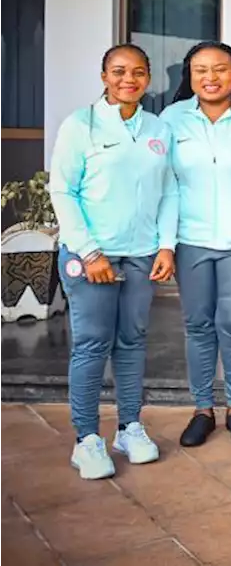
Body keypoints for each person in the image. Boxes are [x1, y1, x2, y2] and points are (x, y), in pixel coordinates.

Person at [48, 44, 177, 480]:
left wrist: (166, 245)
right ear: (103, 76)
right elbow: (62, 191)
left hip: (141, 254)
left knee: (133, 341)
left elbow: (170, 190)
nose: (129, 79)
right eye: (119, 71)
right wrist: (89, 253)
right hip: (92, 257)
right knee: (91, 344)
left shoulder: (158, 128)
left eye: (138, 72)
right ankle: (86, 438)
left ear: (148, 78)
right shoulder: (79, 125)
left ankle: (130, 427)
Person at [161, 42, 231, 447]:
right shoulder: (171, 120)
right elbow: (164, 184)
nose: (210, 77)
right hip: (190, 240)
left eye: (220, 69)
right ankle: (202, 409)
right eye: (200, 70)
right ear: (189, 76)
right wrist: (166, 243)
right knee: (198, 325)